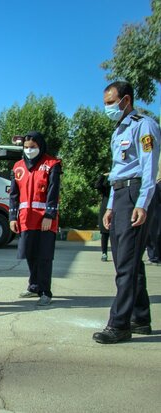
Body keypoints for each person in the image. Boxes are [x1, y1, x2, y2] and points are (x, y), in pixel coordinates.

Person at [93, 80, 160, 344]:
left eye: (111, 102)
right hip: (120, 194)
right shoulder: (119, 130)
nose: (107, 107)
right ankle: (140, 318)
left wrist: (142, 203)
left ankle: (119, 324)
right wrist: (110, 206)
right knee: (128, 261)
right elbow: (117, 171)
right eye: (105, 103)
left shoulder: (144, 126)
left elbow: (148, 168)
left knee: (126, 265)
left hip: (135, 195)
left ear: (126, 100)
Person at [9, 131, 61, 306]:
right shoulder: (17, 166)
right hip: (25, 218)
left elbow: (53, 192)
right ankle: (34, 286)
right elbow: (14, 195)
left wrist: (49, 215)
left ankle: (45, 291)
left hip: (45, 219)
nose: (29, 150)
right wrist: (12, 217)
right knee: (30, 253)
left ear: (40, 146)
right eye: (26, 147)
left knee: (44, 255)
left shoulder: (52, 164)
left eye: (33, 147)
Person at [145, 171, 161, 264]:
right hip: (155, 212)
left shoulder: (155, 185)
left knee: (153, 235)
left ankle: (154, 257)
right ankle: (154, 256)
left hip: (155, 213)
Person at [94, 173, 111, 262]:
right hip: (105, 208)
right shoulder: (106, 189)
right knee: (104, 233)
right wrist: (102, 175)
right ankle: (104, 253)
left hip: (117, 208)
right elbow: (97, 185)